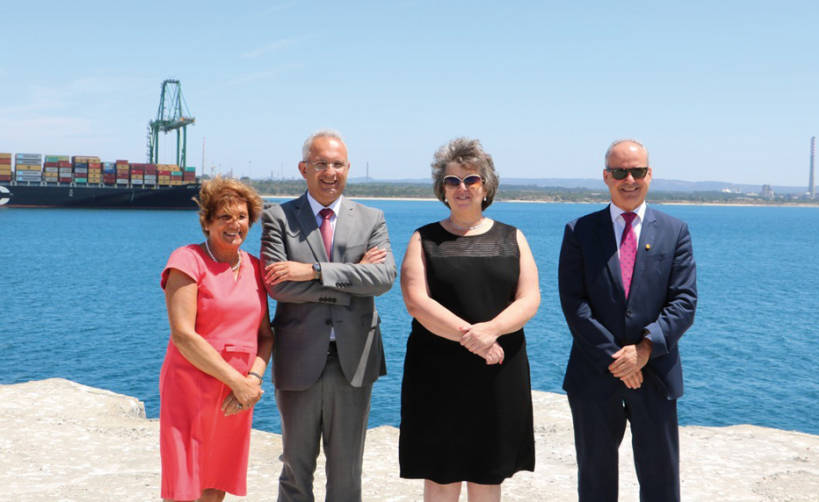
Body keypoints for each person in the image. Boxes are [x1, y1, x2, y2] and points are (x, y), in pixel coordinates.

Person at [399, 137, 540, 502]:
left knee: (487, 473)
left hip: (497, 372)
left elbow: (529, 298)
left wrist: (491, 331)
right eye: (452, 181)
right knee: (441, 475)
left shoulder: (513, 237)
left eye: (471, 179)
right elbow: (416, 301)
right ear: (442, 190)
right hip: (437, 374)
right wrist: (473, 337)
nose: (462, 188)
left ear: (486, 187)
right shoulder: (423, 238)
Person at [558, 139, 698, 501]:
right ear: (606, 176)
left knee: (661, 479)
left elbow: (684, 301)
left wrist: (645, 349)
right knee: (596, 479)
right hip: (594, 375)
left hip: (655, 375)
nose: (629, 179)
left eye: (637, 171)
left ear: (649, 174)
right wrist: (617, 358)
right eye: (620, 172)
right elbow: (574, 304)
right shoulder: (579, 231)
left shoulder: (675, 231)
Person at [260, 130, 396, 502]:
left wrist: (314, 272)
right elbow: (277, 286)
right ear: (304, 168)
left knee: (347, 473)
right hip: (298, 359)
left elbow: (383, 278)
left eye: (337, 164)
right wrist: (351, 276)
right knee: (295, 469)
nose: (329, 172)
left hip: (354, 361)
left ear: (348, 169)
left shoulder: (371, 218)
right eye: (321, 164)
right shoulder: (278, 217)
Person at [159, 176, 274, 502]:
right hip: (190, 387)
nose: (234, 224)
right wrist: (238, 383)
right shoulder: (187, 260)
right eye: (225, 217)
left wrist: (252, 380)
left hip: (237, 394)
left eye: (241, 217)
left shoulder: (254, 267)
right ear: (207, 222)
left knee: (216, 481)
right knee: (185, 485)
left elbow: (266, 335)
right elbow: (183, 336)